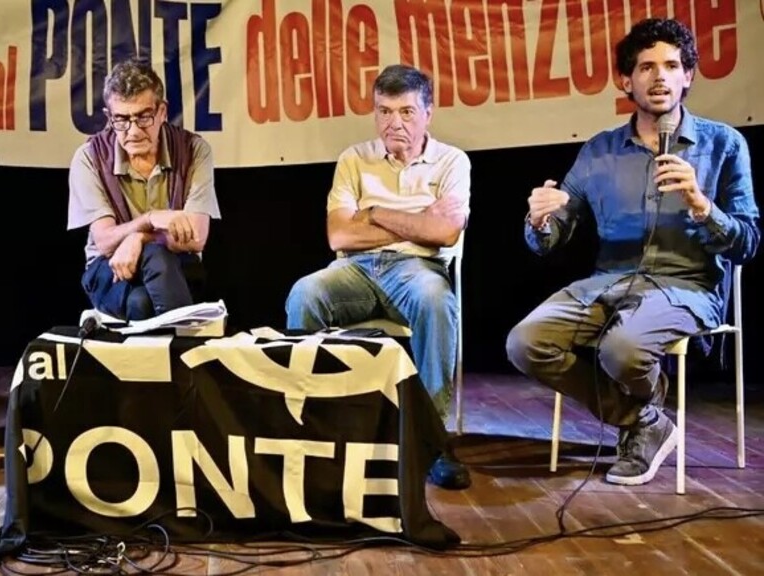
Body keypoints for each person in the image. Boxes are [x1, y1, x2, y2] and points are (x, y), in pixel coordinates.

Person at [506, 18, 759, 486]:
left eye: (671, 66)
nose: (659, 77)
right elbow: (554, 233)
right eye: (646, 67)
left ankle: (640, 422)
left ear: (688, 76)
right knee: (526, 343)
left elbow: (747, 242)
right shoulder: (599, 151)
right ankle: (644, 419)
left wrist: (702, 206)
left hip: (688, 286)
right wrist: (539, 219)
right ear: (627, 81)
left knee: (621, 350)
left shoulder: (724, 145)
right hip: (610, 282)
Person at [285, 64, 472, 490]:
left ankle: (432, 439)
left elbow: (445, 232)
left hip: (418, 270)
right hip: (356, 269)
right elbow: (339, 235)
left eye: (406, 112)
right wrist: (417, 220)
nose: (394, 123)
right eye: (384, 111)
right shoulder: (354, 159)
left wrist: (373, 214)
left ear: (428, 113)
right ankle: (313, 427)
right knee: (305, 294)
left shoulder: (451, 162)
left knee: (436, 301)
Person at [67, 57, 221, 321]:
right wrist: (150, 219)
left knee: (143, 295)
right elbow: (104, 242)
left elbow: (196, 238)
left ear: (162, 112)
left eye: (143, 117)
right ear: (109, 117)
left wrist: (139, 238)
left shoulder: (194, 150)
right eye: (121, 120)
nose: (134, 131)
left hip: (178, 266)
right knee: (145, 289)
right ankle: (187, 340)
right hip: (110, 267)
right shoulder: (89, 157)